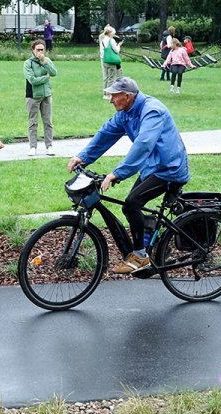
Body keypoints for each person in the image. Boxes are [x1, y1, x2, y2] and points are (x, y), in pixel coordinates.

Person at [68, 76, 189, 274]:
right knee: (130, 206)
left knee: (132, 203)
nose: (111, 100)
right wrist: (83, 157)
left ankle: (140, 256)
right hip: (153, 167)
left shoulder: (152, 111)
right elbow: (106, 133)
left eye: (114, 96)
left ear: (127, 96)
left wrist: (117, 173)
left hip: (170, 169)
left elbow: (143, 145)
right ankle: (154, 246)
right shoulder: (126, 112)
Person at [23, 39, 57, 157]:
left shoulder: (46, 61)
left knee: (48, 122)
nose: (40, 52)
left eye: (42, 50)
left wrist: (44, 62)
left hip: (46, 95)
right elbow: (32, 80)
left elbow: (54, 72)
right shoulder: (28, 63)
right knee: (33, 122)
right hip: (32, 96)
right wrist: (46, 78)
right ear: (33, 50)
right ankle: (33, 147)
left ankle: (49, 146)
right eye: (37, 50)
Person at [98, 25, 122, 92]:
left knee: (105, 77)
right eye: (113, 33)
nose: (114, 34)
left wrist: (106, 29)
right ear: (110, 33)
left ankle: (105, 93)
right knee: (111, 78)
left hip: (104, 60)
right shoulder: (111, 41)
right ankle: (109, 93)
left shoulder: (102, 39)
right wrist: (119, 45)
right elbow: (116, 50)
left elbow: (101, 35)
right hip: (111, 60)